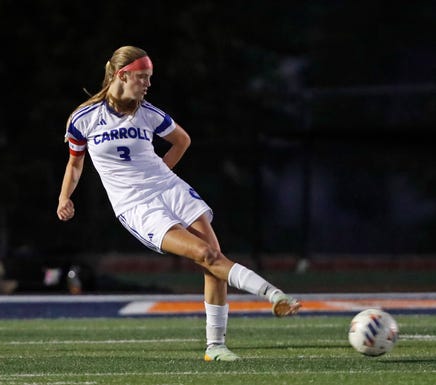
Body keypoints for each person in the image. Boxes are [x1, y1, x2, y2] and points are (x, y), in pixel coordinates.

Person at [56, 46, 301, 361]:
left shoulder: (147, 112)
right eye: (142, 78)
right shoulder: (83, 118)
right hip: (136, 206)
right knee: (207, 254)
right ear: (122, 75)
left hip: (169, 188)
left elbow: (181, 140)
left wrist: (160, 173)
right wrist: (65, 196)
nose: (147, 84)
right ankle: (273, 294)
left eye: (149, 78)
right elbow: (75, 163)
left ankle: (216, 347)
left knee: (213, 263)